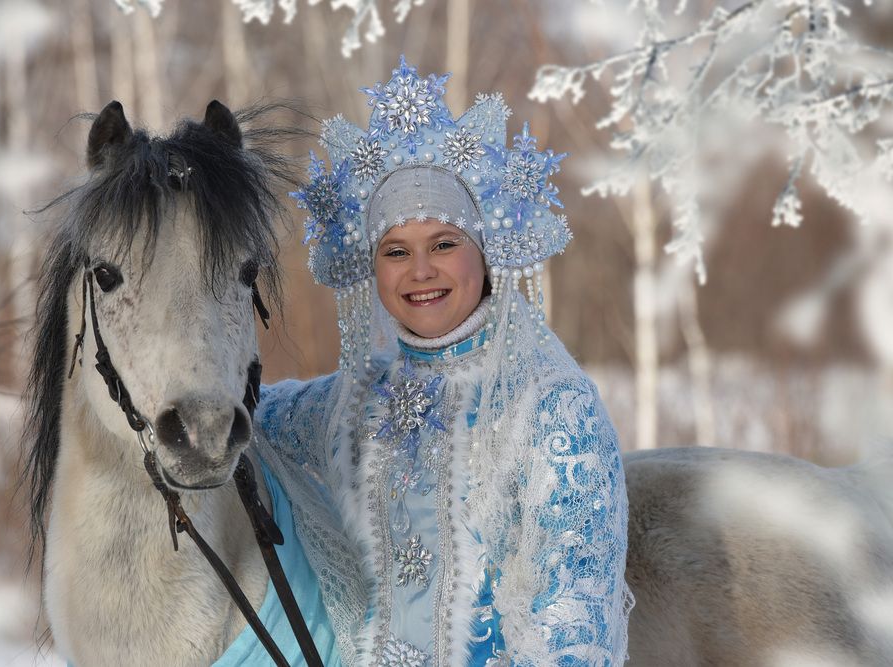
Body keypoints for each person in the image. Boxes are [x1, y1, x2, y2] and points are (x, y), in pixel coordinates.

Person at [254, 56, 632, 666]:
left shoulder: (553, 407)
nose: (421, 271)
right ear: (372, 269)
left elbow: (575, 628)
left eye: (445, 244)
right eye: (397, 250)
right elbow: (249, 420)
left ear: (485, 251)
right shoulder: (357, 402)